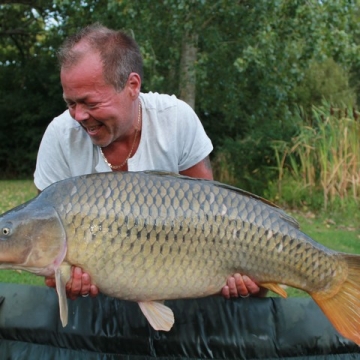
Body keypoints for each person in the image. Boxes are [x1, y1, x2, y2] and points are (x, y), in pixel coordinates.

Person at [34, 23, 266, 301]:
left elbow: (211, 218)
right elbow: (43, 229)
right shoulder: (60, 136)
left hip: (181, 286)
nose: (79, 116)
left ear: (132, 85)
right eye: (71, 103)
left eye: (90, 103)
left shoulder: (176, 119)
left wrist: (245, 277)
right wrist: (65, 280)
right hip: (98, 302)